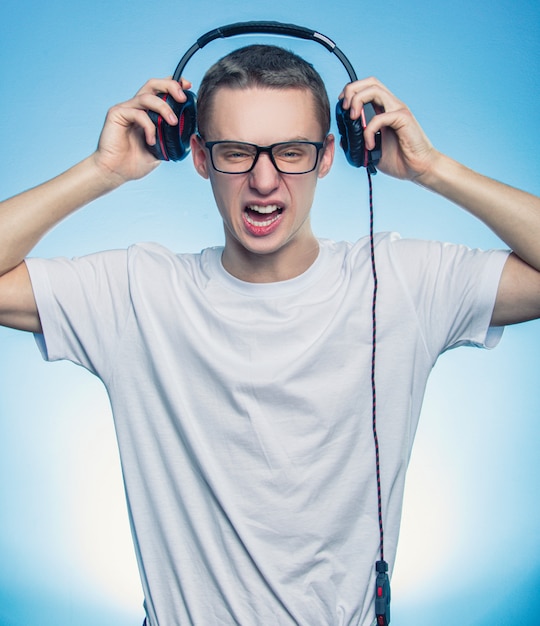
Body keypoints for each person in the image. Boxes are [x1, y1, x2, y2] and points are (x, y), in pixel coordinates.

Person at [0, 43, 539, 626]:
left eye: (291, 152)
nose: (263, 180)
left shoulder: (401, 280)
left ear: (331, 155)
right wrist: (99, 173)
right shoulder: (137, 293)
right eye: (236, 153)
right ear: (199, 156)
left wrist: (434, 169)